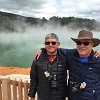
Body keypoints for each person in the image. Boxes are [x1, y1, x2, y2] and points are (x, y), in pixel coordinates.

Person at [33, 30, 100, 100]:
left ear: (92, 45)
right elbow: (55, 48)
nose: (82, 45)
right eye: (79, 43)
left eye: (86, 43)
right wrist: (43, 50)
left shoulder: (98, 60)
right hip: (73, 97)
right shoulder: (71, 54)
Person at [28, 33, 68, 100]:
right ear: (44, 44)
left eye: (53, 43)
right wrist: (32, 94)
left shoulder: (64, 58)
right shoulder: (38, 58)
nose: (50, 45)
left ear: (58, 44)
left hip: (60, 96)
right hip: (43, 96)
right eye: (47, 43)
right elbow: (34, 78)